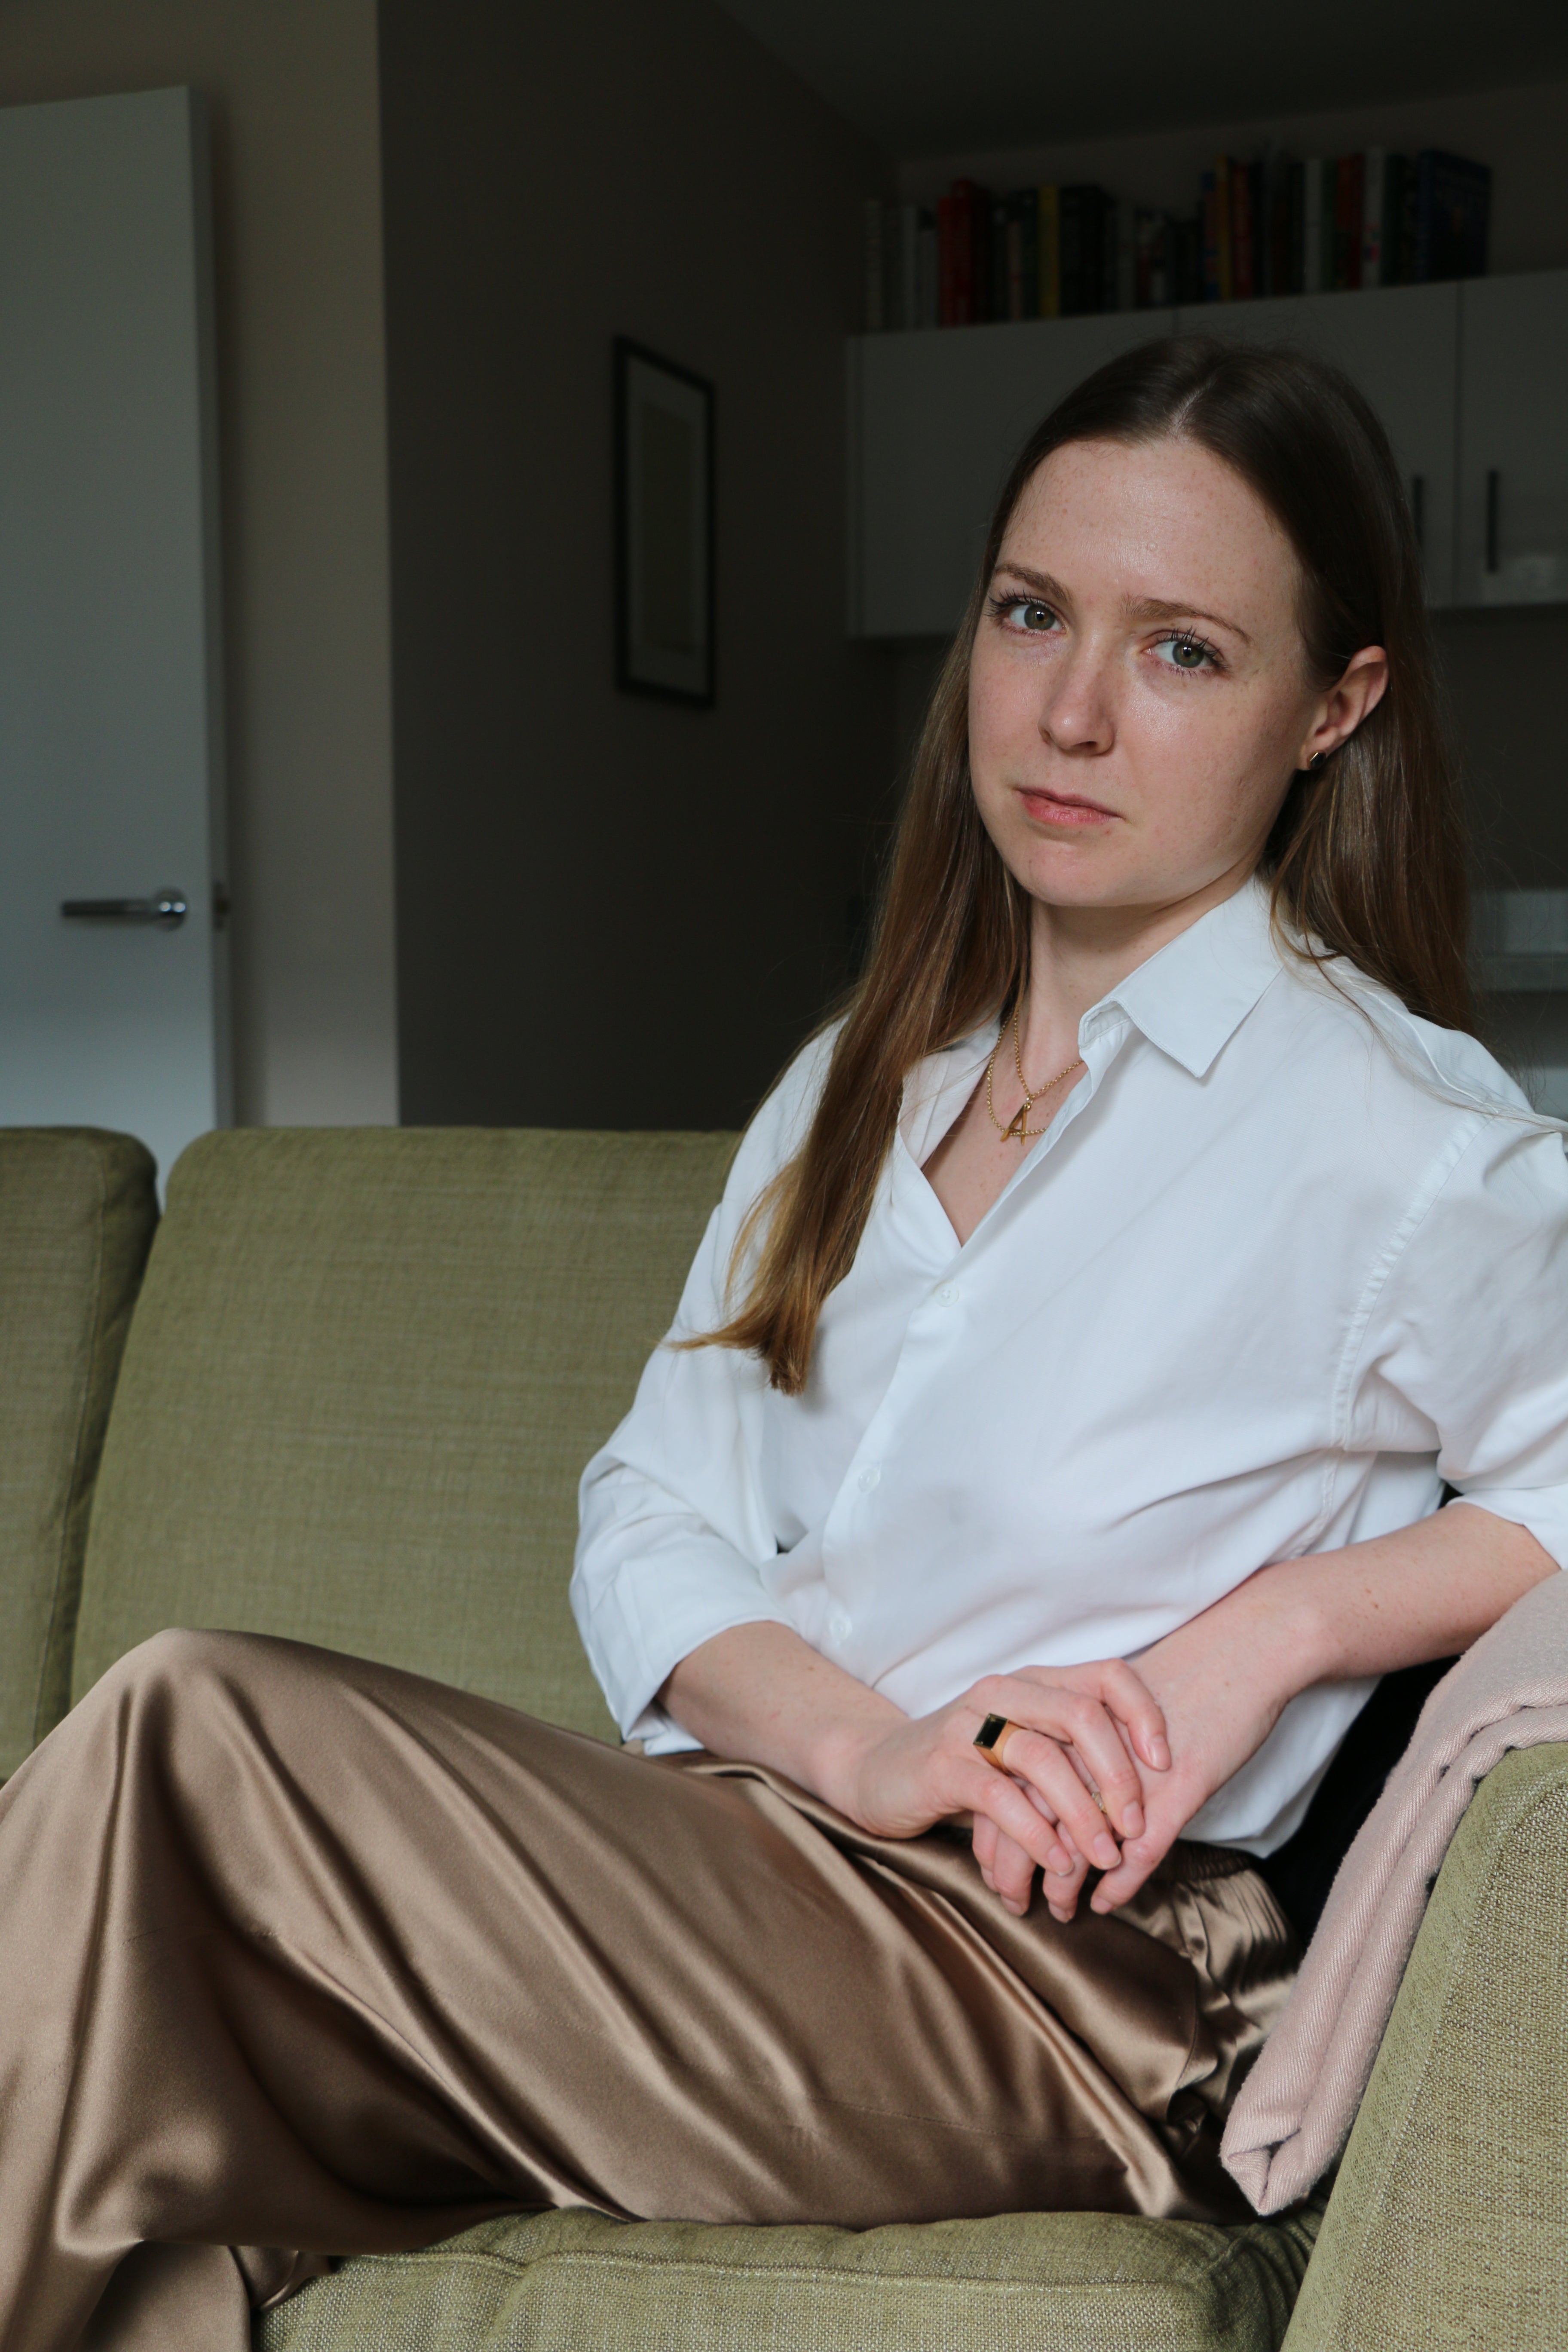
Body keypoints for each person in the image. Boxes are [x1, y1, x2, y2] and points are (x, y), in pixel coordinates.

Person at [3, 337, 1566, 2352]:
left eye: (1183, 651)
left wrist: (1265, 1634)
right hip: (777, 1862)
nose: (1073, 711)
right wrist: (870, 1746)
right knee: (171, 2168)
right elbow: (649, 1505)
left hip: (1073, 1983)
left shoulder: (1390, 1133)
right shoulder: (862, 1082)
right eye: (1031, 616)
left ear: (1332, 709)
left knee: (187, 1736)